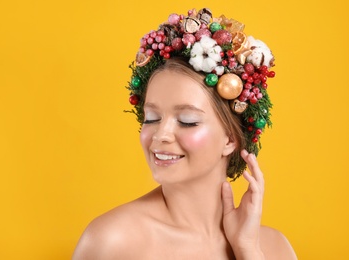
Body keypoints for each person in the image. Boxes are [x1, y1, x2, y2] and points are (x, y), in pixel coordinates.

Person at [73, 7, 297, 260]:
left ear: (231, 139)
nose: (161, 135)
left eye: (187, 121)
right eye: (152, 118)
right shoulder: (115, 241)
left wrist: (248, 250)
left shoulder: (274, 248)